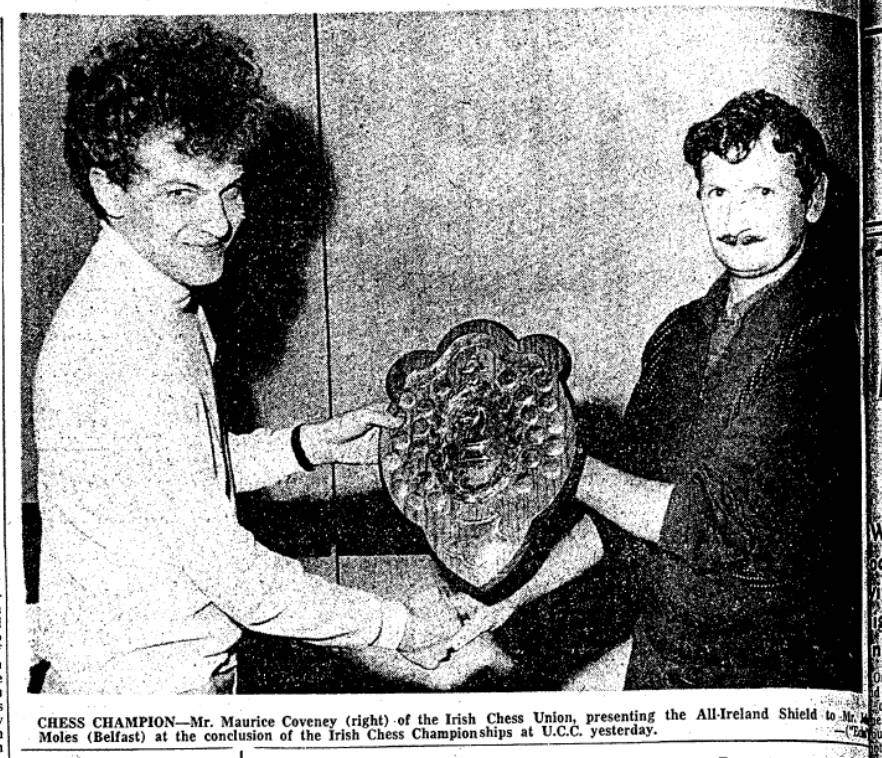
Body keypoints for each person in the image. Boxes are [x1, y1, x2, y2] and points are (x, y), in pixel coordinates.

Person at [31, 19, 485, 694]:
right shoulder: (120, 345)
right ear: (110, 191)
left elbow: (180, 473)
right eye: (181, 194)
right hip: (143, 691)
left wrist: (308, 447)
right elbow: (234, 573)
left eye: (231, 188)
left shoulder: (162, 295)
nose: (219, 222)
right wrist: (398, 627)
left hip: (175, 673)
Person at [450, 90, 861, 689]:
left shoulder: (834, 336)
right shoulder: (679, 333)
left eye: (762, 192)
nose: (736, 218)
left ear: (814, 199)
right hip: (669, 646)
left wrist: (560, 461)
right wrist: (509, 599)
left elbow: (717, 521)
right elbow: (622, 510)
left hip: (776, 668)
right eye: (718, 192)